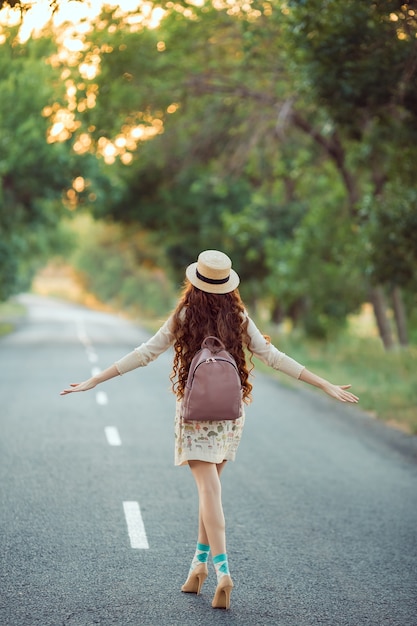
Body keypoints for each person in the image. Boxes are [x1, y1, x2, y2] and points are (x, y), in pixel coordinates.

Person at [61, 249, 358, 610]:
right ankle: (197, 569)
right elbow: (274, 358)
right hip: (230, 415)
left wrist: (95, 380)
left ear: (195, 283)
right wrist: (323, 383)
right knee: (210, 493)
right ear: (228, 286)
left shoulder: (185, 314)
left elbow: (144, 353)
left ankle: (223, 571)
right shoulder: (239, 317)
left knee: (208, 492)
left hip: (194, 416)